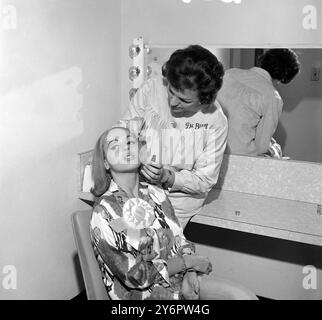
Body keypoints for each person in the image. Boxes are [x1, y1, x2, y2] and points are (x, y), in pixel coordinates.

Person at [89, 127, 258, 300]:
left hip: (178, 282)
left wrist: (190, 273)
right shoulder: (106, 212)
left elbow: (179, 239)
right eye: (114, 145)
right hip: (144, 296)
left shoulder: (156, 194)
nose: (125, 147)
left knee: (244, 297)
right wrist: (187, 263)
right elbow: (136, 276)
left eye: (130, 142)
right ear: (105, 163)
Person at [117, 45, 228, 229]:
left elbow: (204, 180)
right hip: (137, 189)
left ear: (204, 100)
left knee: (160, 250)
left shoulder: (216, 122)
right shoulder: (152, 88)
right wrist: (139, 156)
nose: (173, 102)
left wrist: (167, 177)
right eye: (171, 91)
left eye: (185, 100)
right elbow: (124, 132)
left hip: (177, 205)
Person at [217, 48, 300, 157]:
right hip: (240, 156)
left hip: (213, 148)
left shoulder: (229, 73)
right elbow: (261, 146)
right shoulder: (272, 97)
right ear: (284, 77)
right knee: (274, 150)